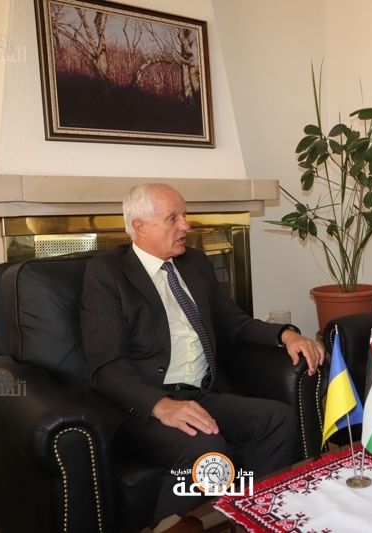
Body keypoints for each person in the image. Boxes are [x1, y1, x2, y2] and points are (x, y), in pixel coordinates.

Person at [81, 183, 324, 532]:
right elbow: (105, 366)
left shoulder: (194, 262)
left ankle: (254, 522)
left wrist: (285, 334)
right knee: (207, 447)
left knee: (278, 418)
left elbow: (234, 321)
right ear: (140, 226)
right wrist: (161, 405)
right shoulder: (107, 272)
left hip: (200, 393)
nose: (186, 225)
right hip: (139, 407)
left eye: (184, 215)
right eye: (173, 218)